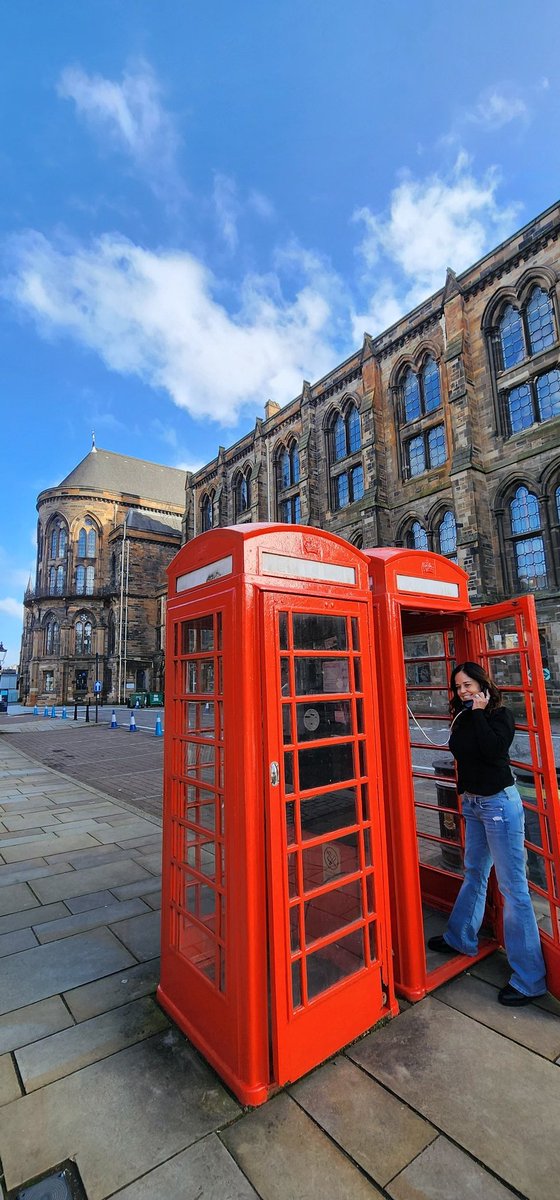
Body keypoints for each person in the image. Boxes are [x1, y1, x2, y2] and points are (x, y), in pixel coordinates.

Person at [428, 661, 547, 1007]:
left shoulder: (500, 716)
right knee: (475, 872)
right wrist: (464, 791)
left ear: (482, 684)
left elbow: (494, 750)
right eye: (458, 687)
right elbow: (462, 756)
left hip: (499, 806)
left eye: (467, 685)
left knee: (513, 889)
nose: (462, 691)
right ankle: (460, 936)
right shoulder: (463, 717)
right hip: (476, 805)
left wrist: (479, 712)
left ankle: (530, 979)